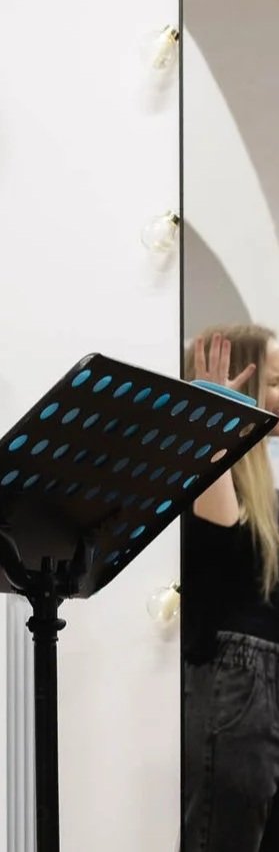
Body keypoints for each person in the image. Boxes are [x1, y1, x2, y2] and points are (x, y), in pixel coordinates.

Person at [182, 324, 279, 851]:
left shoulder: (269, 494)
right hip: (237, 683)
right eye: (276, 382)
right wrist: (217, 423)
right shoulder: (211, 474)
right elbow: (220, 535)